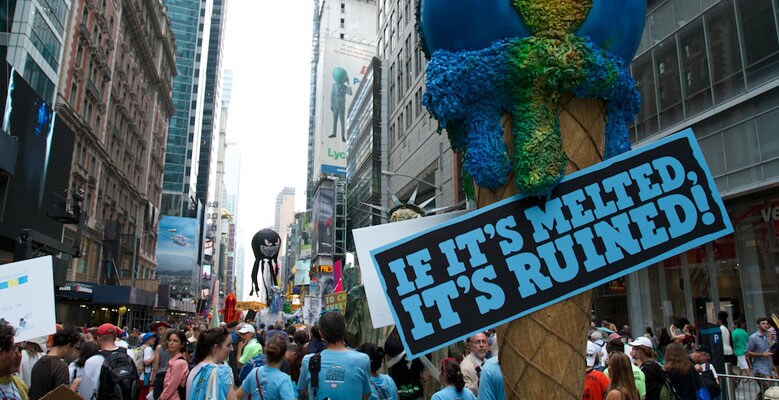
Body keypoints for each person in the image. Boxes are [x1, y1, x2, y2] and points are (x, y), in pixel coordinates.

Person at [298, 311, 371, 399]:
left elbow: (306, 391)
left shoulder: (308, 360)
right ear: (345, 329)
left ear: (321, 333)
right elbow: (365, 394)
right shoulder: (362, 360)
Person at [77, 323, 139, 400]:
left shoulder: (92, 361)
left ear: (98, 337)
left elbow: (85, 393)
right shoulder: (128, 353)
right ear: (115, 337)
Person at [29, 327, 82, 400]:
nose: (73, 351)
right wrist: (74, 385)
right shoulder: (61, 367)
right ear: (68, 346)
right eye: (73, 347)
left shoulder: (39, 361)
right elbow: (62, 397)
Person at [236, 335, 295, 400]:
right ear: (284, 355)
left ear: (266, 351)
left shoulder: (254, 372)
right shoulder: (284, 379)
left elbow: (236, 396)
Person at [186, 327, 237, 400]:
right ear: (215, 347)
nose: (232, 348)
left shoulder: (194, 370)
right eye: (228, 345)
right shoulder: (223, 372)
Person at [747, 317, 776, 399]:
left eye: (767, 324)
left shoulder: (767, 337)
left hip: (768, 368)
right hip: (760, 369)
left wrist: (773, 367)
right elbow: (748, 353)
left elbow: (769, 353)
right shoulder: (753, 338)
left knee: (765, 391)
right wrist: (762, 355)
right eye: (763, 324)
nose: (765, 325)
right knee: (767, 390)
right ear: (758, 325)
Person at [158, 330, 189, 400]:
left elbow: (171, 386)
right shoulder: (174, 361)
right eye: (169, 340)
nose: (171, 343)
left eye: (175, 341)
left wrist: (161, 398)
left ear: (182, 344)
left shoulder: (179, 363)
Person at [0, 323, 27, 400]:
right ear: (1, 353)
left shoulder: (19, 385)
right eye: (14, 349)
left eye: (20, 350)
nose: (17, 355)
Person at [460, 332, 489, 396]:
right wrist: (479, 383)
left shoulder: (489, 363)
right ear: (470, 345)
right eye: (477, 342)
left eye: (484, 341)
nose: (481, 345)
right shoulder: (465, 367)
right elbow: (464, 394)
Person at [152, 329, 174, 399]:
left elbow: (155, 367)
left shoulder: (159, 348)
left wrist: (152, 382)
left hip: (160, 376)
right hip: (171, 377)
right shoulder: (175, 349)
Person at [139, 332, 156, 400]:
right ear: (147, 340)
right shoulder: (148, 349)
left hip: (142, 375)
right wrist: (155, 356)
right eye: (152, 338)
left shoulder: (142, 347)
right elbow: (147, 362)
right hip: (146, 376)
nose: (154, 339)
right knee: (145, 395)